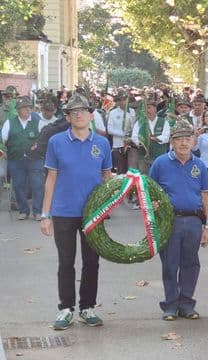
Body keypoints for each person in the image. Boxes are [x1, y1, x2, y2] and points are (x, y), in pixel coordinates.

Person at [40, 94, 112, 330]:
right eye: (74, 111)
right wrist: (45, 214)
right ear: (68, 117)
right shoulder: (56, 142)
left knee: (92, 262)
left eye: (83, 110)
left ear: (92, 115)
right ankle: (66, 309)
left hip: (93, 213)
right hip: (63, 211)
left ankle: (87, 307)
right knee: (66, 262)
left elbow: (107, 178)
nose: (79, 114)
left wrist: (109, 204)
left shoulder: (102, 144)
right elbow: (51, 178)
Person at [149, 119, 208, 321]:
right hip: (170, 222)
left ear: (194, 141)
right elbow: (148, 192)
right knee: (170, 263)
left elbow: (206, 196)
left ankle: (186, 303)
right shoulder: (160, 164)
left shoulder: (200, 165)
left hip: (194, 221)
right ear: (172, 142)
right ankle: (170, 304)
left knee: (191, 263)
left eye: (188, 139)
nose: (184, 143)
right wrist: (154, 206)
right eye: (179, 139)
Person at [2, 96, 46, 220]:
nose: (27, 110)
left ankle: (37, 211)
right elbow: (4, 140)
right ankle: (23, 210)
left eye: (29, 107)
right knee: (18, 185)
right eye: (24, 108)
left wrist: (37, 145)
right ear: (18, 110)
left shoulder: (38, 121)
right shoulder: (9, 123)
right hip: (16, 159)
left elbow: (43, 139)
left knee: (38, 184)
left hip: (35, 159)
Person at [131, 96, 171, 175]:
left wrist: (153, 138)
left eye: (149, 108)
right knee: (144, 177)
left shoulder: (164, 122)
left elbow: (166, 137)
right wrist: (140, 142)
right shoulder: (140, 122)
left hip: (159, 156)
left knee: (159, 176)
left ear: (155, 109)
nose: (146, 110)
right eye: (145, 108)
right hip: (143, 156)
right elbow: (134, 136)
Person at [106, 93, 136, 174]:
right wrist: (123, 134)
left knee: (131, 171)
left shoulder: (132, 111)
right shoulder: (113, 113)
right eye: (120, 100)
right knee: (120, 170)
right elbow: (109, 129)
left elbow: (134, 127)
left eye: (124, 99)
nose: (123, 102)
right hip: (118, 145)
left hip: (130, 145)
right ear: (117, 102)